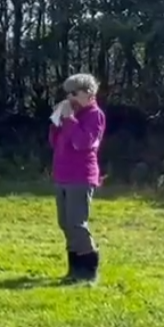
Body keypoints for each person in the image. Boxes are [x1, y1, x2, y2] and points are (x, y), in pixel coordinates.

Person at [50, 73, 105, 283]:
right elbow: (56, 142)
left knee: (76, 222)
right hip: (62, 174)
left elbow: (82, 142)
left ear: (89, 94)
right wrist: (57, 121)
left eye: (74, 93)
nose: (70, 97)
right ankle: (74, 270)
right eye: (68, 93)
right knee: (64, 222)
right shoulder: (71, 114)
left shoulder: (95, 115)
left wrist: (70, 120)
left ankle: (88, 270)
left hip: (81, 176)